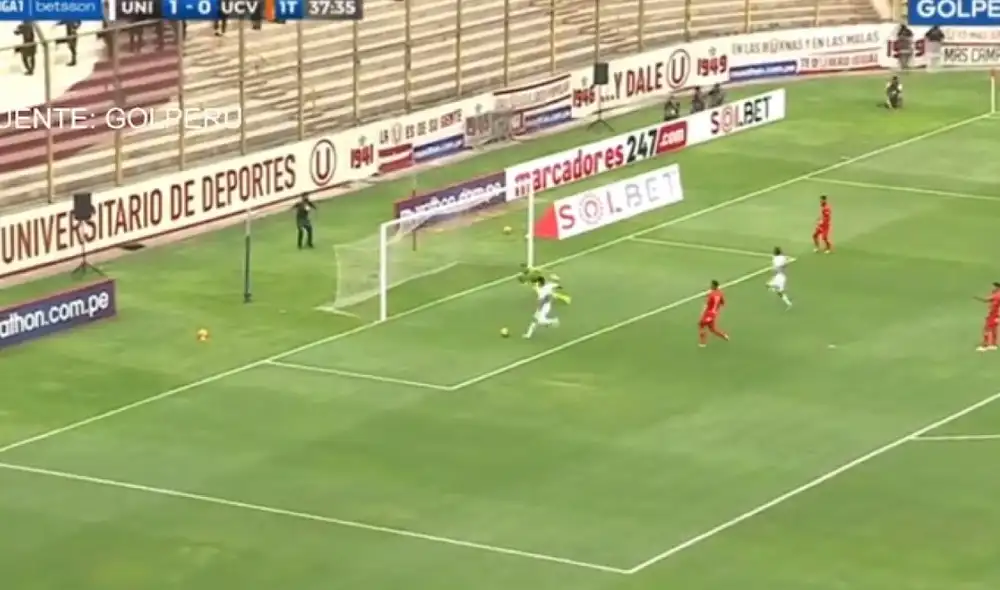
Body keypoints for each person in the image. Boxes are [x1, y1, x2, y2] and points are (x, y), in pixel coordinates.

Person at [698, 280, 729, 347]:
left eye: (711, 285)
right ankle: (724, 336)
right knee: (712, 329)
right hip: (714, 313)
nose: (710, 286)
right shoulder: (720, 293)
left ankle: (702, 343)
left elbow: (706, 305)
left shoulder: (711, 295)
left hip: (708, 313)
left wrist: (702, 313)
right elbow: (723, 303)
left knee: (701, 324)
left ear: (714, 286)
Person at [975, 282, 1000, 352]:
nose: (993, 288)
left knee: (987, 329)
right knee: (993, 329)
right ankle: (993, 345)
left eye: (994, 287)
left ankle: (985, 345)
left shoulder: (997, 295)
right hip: (995, 315)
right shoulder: (996, 294)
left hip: (993, 315)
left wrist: (976, 297)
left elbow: (986, 300)